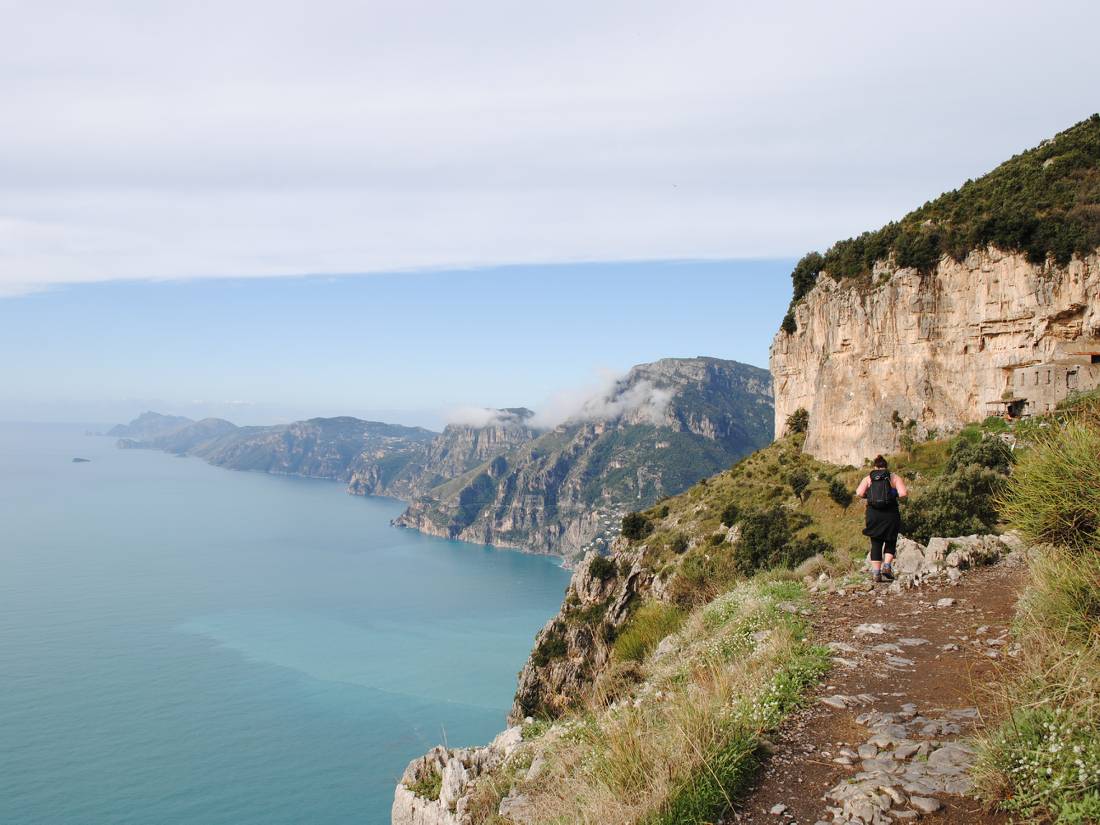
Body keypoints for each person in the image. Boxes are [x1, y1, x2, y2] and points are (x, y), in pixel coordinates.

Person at [856, 455, 908, 583]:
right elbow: (903, 494)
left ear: (875, 467)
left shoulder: (869, 478)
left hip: (874, 514)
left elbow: (859, 493)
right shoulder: (893, 477)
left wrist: (870, 496)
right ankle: (887, 566)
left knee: (876, 543)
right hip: (891, 514)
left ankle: (876, 574)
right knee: (890, 540)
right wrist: (893, 493)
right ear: (886, 466)